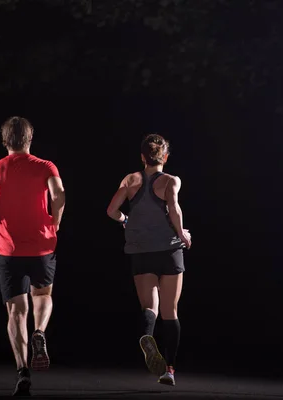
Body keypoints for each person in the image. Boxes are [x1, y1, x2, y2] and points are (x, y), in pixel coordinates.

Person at [0, 116, 65, 396]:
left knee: (16, 311)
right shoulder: (46, 166)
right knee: (43, 296)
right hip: (42, 246)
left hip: (8, 251)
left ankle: (22, 371)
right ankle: (40, 332)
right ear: (30, 139)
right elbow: (60, 193)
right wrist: (55, 219)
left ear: (5, 141)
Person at [106, 133, 192, 386]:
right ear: (165, 157)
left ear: (143, 157)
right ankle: (170, 370)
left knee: (149, 308)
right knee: (170, 311)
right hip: (168, 251)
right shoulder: (170, 181)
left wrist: (126, 220)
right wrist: (182, 234)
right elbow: (174, 207)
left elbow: (111, 211)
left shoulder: (130, 179)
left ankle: (146, 335)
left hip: (141, 253)